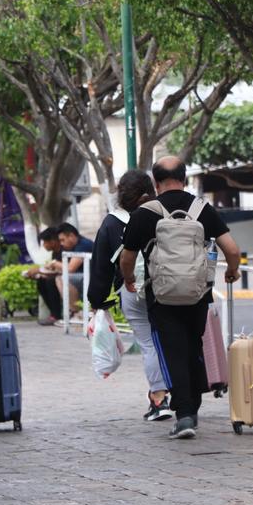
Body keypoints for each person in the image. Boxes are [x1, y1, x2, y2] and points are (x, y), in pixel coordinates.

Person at [120, 156, 241, 440]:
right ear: (184, 179)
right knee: (193, 347)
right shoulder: (202, 209)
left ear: (156, 182)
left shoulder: (145, 213)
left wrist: (129, 280)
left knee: (173, 351)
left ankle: (185, 415)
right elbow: (232, 249)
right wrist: (232, 272)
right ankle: (192, 408)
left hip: (161, 297)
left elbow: (127, 258)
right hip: (198, 294)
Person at [87, 170, 172, 422]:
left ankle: (159, 398)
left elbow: (101, 267)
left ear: (121, 195)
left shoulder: (112, 223)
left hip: (133, 289)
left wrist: (99, 302)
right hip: (170, 287)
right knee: (171, 341)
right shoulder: (164, 214)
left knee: (148, 344)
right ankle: (184, 395)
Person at [23, 227, 63, 325]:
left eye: (45, 242)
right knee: (41, 282)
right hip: (59, 277)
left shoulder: (63, 250)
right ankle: (54, 314)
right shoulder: (55, 253)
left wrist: (39, 271)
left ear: (53, 241)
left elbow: (60, 270)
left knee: (50, 282)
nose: (44, 245)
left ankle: (57, 315)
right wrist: (39, 274)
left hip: (68, 277)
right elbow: (53, 270)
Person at [53, 223, 94, 315]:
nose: (61, 244)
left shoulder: (83, 244)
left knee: (63, 278)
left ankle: (76, 312)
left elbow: (70, 269)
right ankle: (73, 311)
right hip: (86, 276)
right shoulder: (75, 245)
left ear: (71, 236)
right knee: (56, 278)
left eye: (62, 240)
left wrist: (55, 263)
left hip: (93, 277)